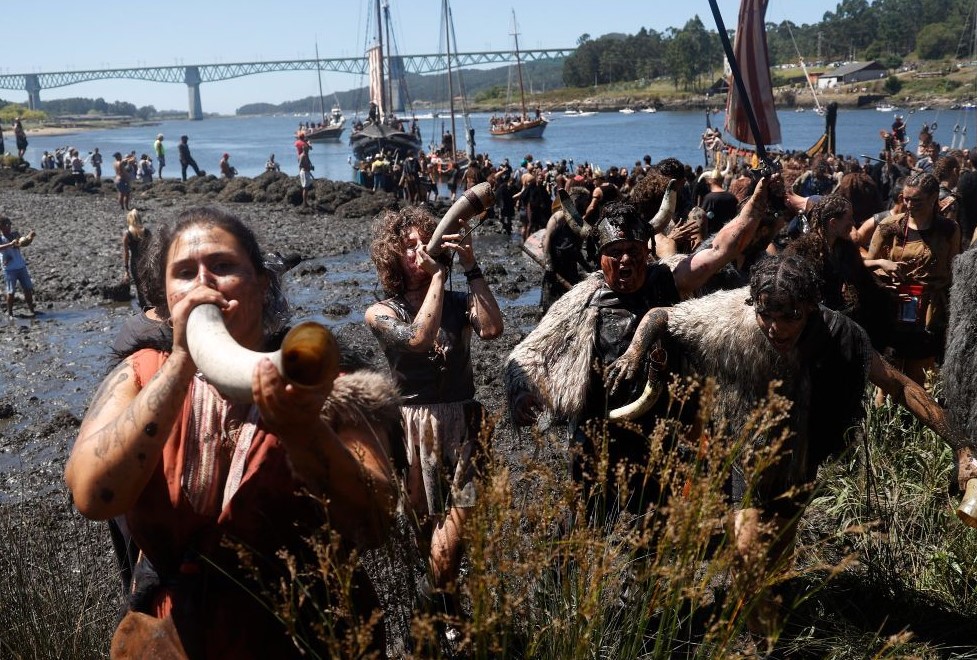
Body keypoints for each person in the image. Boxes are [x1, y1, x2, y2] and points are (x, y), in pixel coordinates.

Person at [64, 207, 399, 657]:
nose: (204, 283)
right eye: (184, 273)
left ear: (262, 284)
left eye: (222, 266)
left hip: (305, 637)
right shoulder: (141, 375)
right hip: (170, 639)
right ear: (165, 299)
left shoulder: (331, 385)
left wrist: (304, 433)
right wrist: (182, 362)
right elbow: (92, 495)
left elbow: (376, 520)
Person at [599, 253, 976, 596]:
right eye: (767, 315)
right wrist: (636, 351)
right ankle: (753, 631)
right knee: (747, 554)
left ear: (811, 307)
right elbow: (660, 316)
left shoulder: (842, 335)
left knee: (778, 560)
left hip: (802, 454)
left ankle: (766, 615)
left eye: (790, 317)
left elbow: (897, 385)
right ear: (754, 304)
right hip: (746, 452)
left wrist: (960, 445)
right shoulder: (728, 318)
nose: (776, 328)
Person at [506, 178, 770, 519]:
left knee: (659, 526)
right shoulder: (581, 302)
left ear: (647, 251)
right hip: (598, 431)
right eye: (615, 252)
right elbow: (528, 352)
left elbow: (721, 250)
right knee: (588, 522)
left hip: (664, 432)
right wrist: (522, 391)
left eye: (633, 250)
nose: (625, 259)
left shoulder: (668, 279)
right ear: (600, 259)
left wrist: (756, 205)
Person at [365, 205, 503, 617]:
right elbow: (420, 338)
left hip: (467, 430)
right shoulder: (381, 312)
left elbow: (493, 328)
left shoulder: (460, 301)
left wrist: (470, 265)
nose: (419, 252)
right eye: (409, 246)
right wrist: (440, 278)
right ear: (393, 256)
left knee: (454, 534)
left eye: (425, 243)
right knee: (430, 540)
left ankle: (428, 619)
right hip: (412, 432)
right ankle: (448, 618)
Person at [866, 171, 961, 386]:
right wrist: (883, 265)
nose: (909, 204)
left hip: (929, 313)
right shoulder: (890, 226)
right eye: (905, 199)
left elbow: (953, 270)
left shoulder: (948, 230)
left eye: (916, 200)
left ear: (933, 197)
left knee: (922, 379)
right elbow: (865, 265)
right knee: (888, 381)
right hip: (894, 309)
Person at [0, 216, 36, 319]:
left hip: (21, 266)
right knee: (11, 292)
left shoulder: (14, 234)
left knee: (28, 289)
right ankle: (10, 313)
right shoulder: (1, 238)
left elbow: (22, 243)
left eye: (10, 224)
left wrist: (30, 237)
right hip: (9, 269)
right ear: (1, 226)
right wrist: (10, 244)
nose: (9, 226)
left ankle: (32, 310)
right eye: (6, 224)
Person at [122, 209, 152, 310]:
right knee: (149, 284)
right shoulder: (147, 232)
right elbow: (152, 248)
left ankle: (145, 309)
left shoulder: (127, 234)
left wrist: (126, 270)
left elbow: (126, 253)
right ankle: (153, 306)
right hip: (146, 261)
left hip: (135, 262)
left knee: (139, 287)